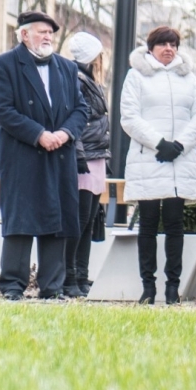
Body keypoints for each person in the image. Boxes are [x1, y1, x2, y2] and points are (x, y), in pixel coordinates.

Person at [0, 11, 89, 300]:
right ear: (24, 34)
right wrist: (39, 134)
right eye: (41, 32)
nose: (47, 37)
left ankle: (52, 288)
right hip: (23, 156)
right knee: (20, 222)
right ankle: (12, 286)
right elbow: (3, 110)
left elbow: (81, 109)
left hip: (59, 155)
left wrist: (65, 133)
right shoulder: (1, 65)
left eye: (50, 33)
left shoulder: (67, 68)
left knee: (57, 221)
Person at [120, 26, 196, 305]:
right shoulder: (136, 76)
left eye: (173, 44)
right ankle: (148, 287)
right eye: (162, 44)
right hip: (149, 159)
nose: (168, 49)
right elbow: (129, 117)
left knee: (174, 224)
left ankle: (173, 287)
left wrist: (179, 145)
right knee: (147, 224)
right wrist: (160, 144)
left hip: (180, 160)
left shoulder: (189, 78)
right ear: (151, 48)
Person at [64, 32, 110, 298]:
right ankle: (69, 276)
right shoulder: (77, 79)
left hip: (96, 156)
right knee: (79, 220)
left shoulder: (91, 81)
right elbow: (74, 120)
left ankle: (81, 275)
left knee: (89, 220)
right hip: (84, 158)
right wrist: (79, 154)